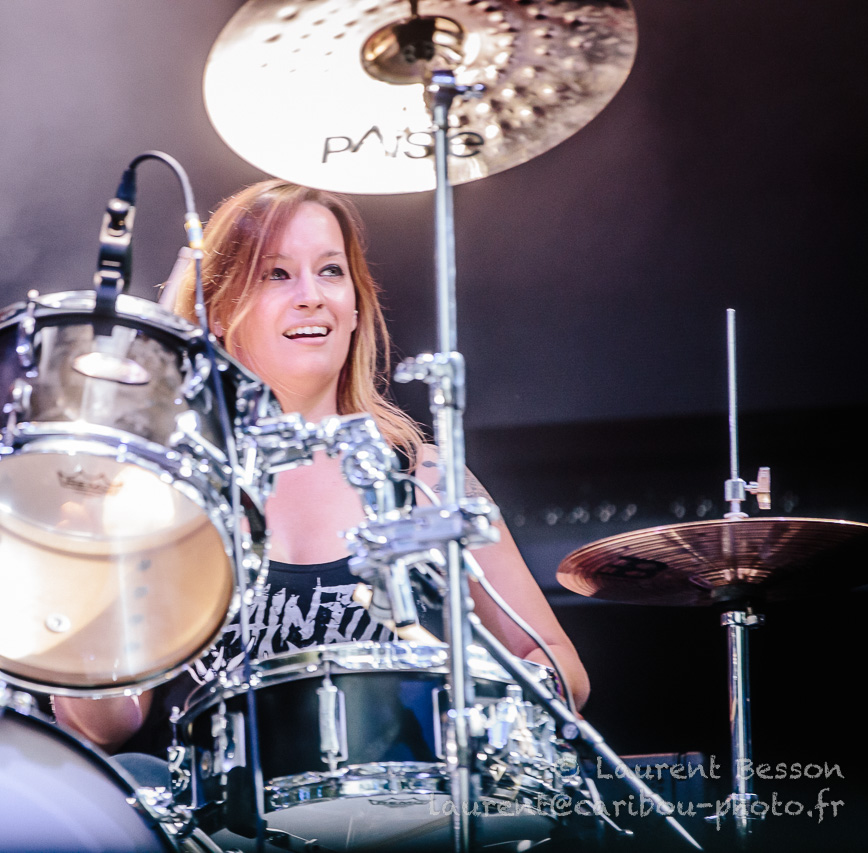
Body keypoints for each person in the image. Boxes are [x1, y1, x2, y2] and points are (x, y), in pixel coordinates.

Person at [52, 180, 589, 758]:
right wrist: (94, 559)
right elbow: (106, 727)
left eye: (331, 271)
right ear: (219, 311)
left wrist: (472, 696)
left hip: (411, 805)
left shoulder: (424, 479)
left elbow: (558, 667)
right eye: (277, 274)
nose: (311, 295)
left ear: (356, 308)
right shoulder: (164, 490)